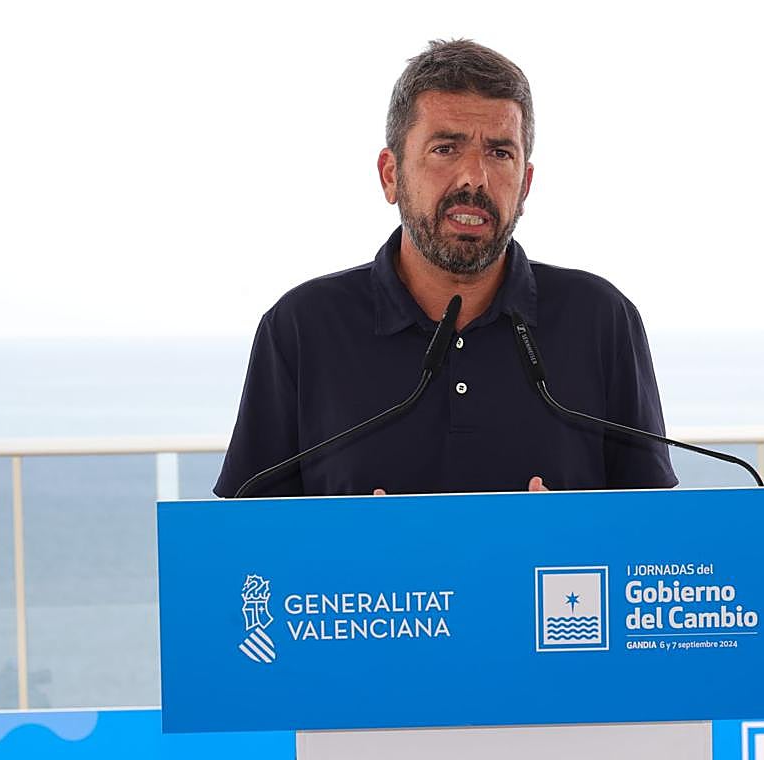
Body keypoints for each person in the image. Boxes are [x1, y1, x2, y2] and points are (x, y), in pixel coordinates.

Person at [214, 38, 675, 500]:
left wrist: (567, 531)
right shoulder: (301, 326)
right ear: (391, 175)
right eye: (445, 149)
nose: (474, 178)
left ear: (525, 185)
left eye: (500, 153)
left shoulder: (601, 318)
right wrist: (349, 540)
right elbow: (243, 534)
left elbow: (656, 529)